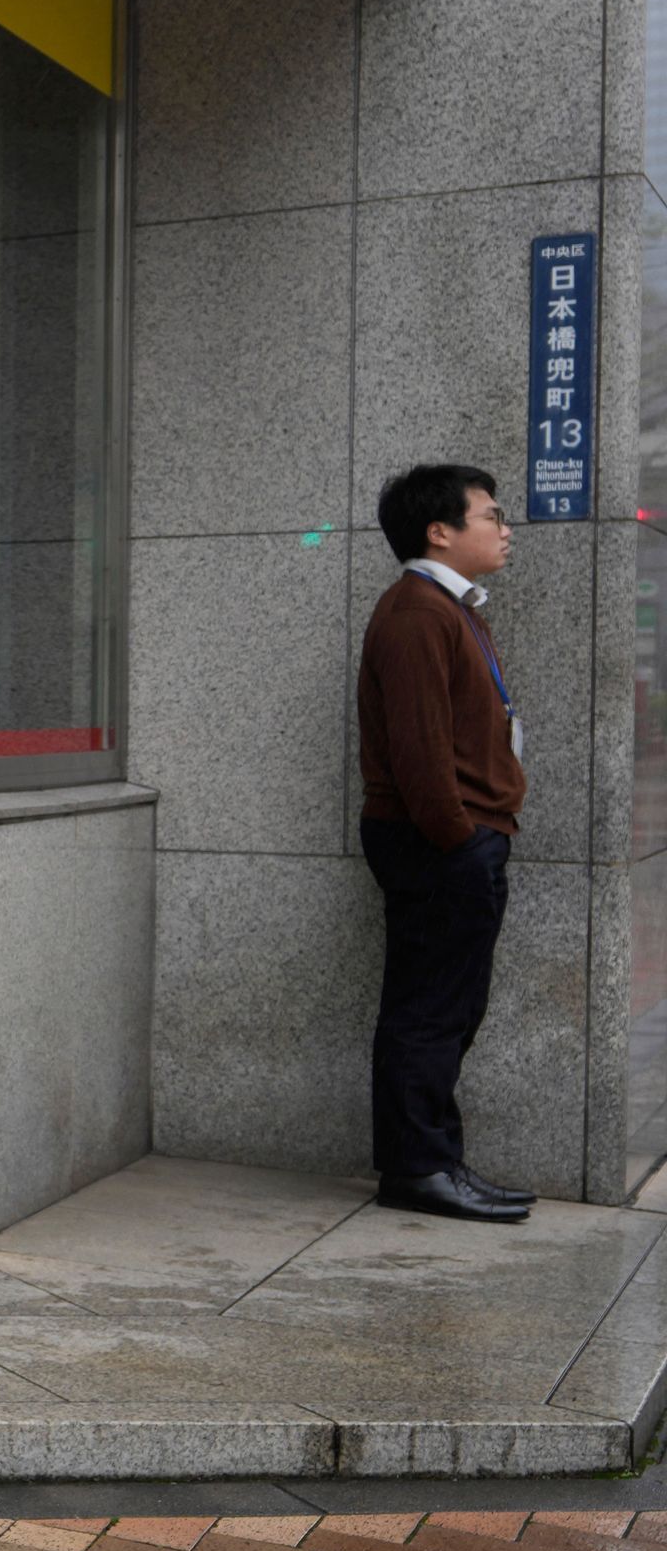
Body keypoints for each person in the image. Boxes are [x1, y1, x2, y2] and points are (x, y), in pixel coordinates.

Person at [355, 463, 532, 1224]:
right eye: (490, 515)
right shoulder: (416, 614)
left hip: (459, 841)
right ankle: (417, 1170)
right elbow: (420, 754)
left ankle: (436, 1161)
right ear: (441, 531)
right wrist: (460, 841)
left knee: (451, 1009)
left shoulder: (449, 609)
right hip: (439, 844)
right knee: (430, 1012)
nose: (505, 528)